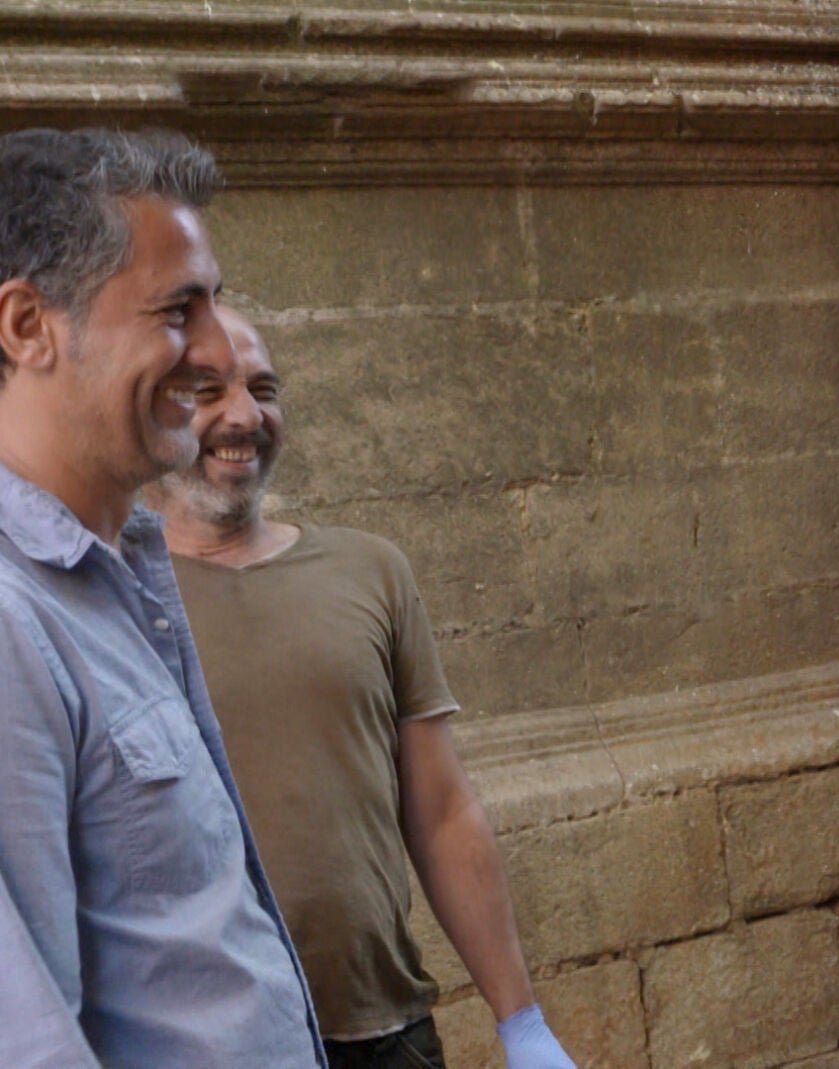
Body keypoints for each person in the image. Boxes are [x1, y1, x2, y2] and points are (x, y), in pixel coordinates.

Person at [145, 306, 575, 1069]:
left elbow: (442, 812)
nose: (244, 415)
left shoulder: (372, 571)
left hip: (386, 1037)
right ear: (159, 407)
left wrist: (522, 1024)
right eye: (208, 391)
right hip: (201, 1048)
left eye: (265, 389)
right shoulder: (114, 591)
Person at [0, 128, 326, 1066]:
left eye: (214, 300)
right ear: (28, 327)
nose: (216, 346)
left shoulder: (115, 573)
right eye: (178, 310)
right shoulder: (14, 620)